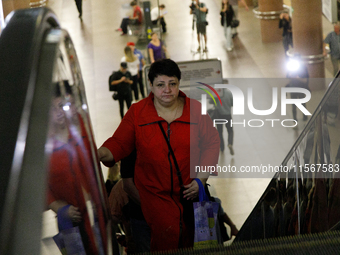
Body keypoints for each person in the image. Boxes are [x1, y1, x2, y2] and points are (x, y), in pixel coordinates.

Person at [97, 59, 220, 251]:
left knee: (191, 243)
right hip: (155, 198)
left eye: (173, 84)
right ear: (151, 85)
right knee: (163, 243)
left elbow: (212, 143)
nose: (167, 90)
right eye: (160, 85)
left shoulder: (195, 110)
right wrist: (99, 153)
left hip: (188, 197)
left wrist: (200, 180)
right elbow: (119, 143)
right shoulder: (137, 113)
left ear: (179, 83)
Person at [210, 88, 234, 154]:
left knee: (220, 131)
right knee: (230, 130)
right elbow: (232, 103)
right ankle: (230, 143)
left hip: (218, 115)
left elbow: (211, 101)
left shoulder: (216, 92)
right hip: (227, 115)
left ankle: (222, 147)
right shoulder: (229, 93)